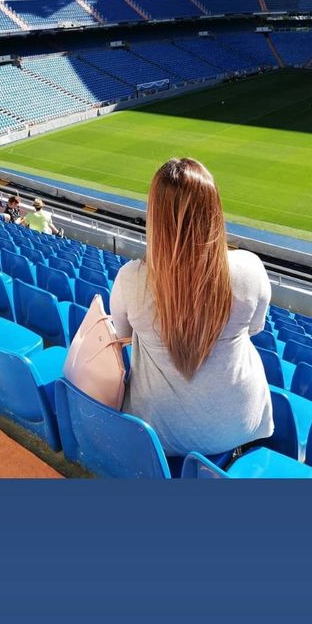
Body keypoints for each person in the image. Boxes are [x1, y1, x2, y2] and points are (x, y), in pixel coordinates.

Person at [110, 157, 273, 457]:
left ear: (154, 216)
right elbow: (255, 329)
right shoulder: (250, 269)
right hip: (238, 424)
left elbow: (119, 335)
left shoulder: (131, 278)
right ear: (213, 211)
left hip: (157, 434)